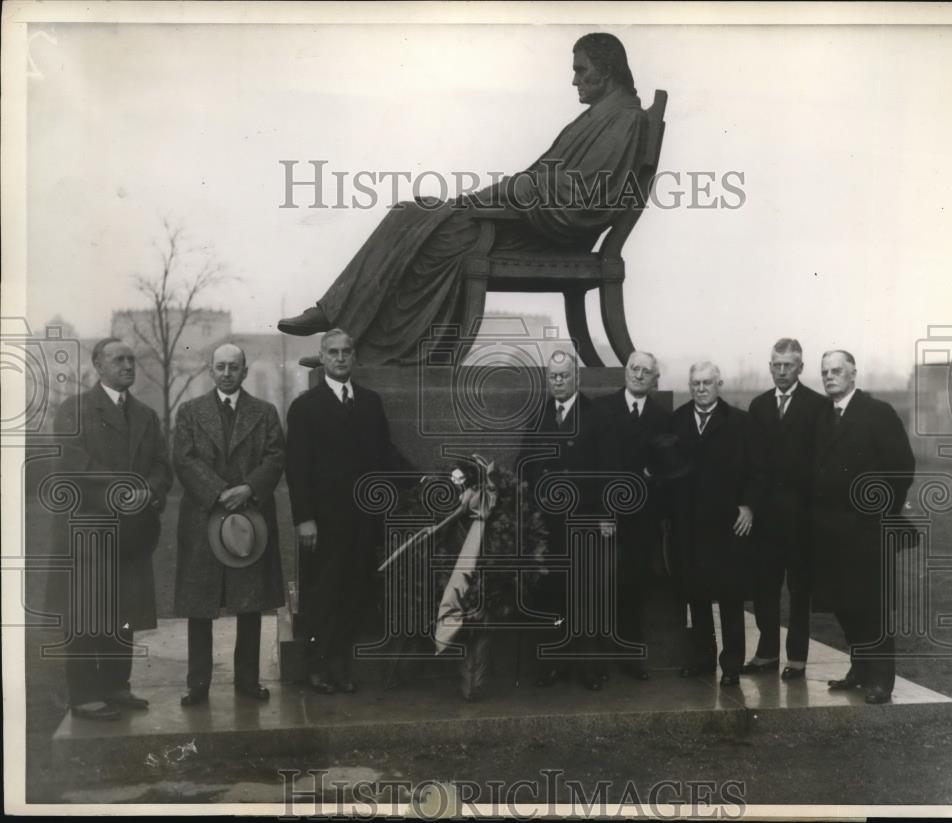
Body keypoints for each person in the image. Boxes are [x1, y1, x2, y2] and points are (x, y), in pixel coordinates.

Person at [278, 33, 648, 365]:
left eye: (582, 70)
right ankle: (338, 318)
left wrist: (509, 190)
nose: (575, 79)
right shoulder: (601, 117)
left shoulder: (625, 120)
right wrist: (507, 191)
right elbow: (549, 180)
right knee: (412, 210)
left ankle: (361, 341)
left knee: (429, 233)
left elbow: (587, 194)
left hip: (543, 232)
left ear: (607, 68)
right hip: (528, 219)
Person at [48, 338, 172, 721]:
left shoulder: (146, 415)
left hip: (132, 531)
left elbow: (161, 466)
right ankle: (85, 694)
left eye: (132, 359)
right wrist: (121, 491)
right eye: (119, 359)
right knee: (87, 612)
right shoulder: (74, 409)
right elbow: (73, 464)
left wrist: (147, 491)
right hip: (87, 530)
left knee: (125, 609)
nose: (128, 365)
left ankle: (118, 685)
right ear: (98, 365)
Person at [285, 329, 411, 694]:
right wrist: (304, 518)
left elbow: (385, 455)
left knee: (354, 592)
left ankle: (339, 663)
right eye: (333, 352)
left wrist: (424, 480)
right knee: (323, 593)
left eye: (346, 352)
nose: (340, 358)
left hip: (364, 519)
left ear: (354, 357)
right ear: (322, 358)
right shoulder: (305, 406)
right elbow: (297, 469)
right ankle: (316, 666)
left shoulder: (370, 402)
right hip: (324, 522)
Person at [172, 344, 286, 707]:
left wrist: (249, 488)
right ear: (210, 370)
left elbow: (276, 456)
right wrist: (220, 492)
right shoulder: (190, 412)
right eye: (220, 367)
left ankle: (248, 680)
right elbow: (184, 459)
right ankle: (198, 683)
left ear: (245, 370)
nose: (226, 373)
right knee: (200, 604)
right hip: (203, 516)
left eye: (233, 367)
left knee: (249, 601)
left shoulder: (265, 413)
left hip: (250, 517)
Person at [812, 350, 915, 705]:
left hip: (868, 531)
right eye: (825, 372)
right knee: (844, 604)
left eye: (837, 371)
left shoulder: (877, 413)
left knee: (872, 607)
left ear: (853, 374)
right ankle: (859, 668)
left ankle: (880, 680)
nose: (830, 377)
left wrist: (881, 512)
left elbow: (902, 468)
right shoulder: (823, 416)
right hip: (830, 532)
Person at [522, 350, 618, 691]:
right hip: (547, 525)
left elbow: (608, 467)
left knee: (585, 595)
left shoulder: (596, 415)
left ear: (576, 378)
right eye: (553, 376)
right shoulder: (539, 415)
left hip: (585, 521)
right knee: (552, 595)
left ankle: (590, 668)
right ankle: (554, 665)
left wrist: (607, 513)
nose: (558, 381)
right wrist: (528, 511)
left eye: (564, 375)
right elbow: (525, 465)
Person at [667, 362, 765, 687]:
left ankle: (732, 665)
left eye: (707, 382)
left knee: (729, 598)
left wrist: (749, 506)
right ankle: (703, 660)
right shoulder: (678, 420)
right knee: (697, 597)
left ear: (719, 383)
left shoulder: (740, 422)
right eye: (695, 383)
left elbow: (757, 470)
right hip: (690, 526)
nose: (701, 388)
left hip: (727, 526)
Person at [742, 339, 825, 680]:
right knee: (764, 587)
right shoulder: (759, 405)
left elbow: (822, 461)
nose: (780, 371)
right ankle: (766, 654)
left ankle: (798, 658)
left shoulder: (818, 406)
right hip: (764, 518)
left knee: (799, 589)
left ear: (800, 368)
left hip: (802, 518)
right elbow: (750, 460)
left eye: (787, 365)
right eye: (775, 365)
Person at [594, 351, 672, 680]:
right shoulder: (602, 410)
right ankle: (595, 662)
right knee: (599, 588)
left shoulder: (661, 416)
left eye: (646, 371)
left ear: (655, 379)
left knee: (634, 587)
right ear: (625, 372)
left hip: (642, 519)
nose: (638, 375)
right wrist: (602, 512)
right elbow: (592, 466)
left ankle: (629, 657)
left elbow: (669, 466)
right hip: (605, 519)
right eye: (633, 368)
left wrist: (652, 474)